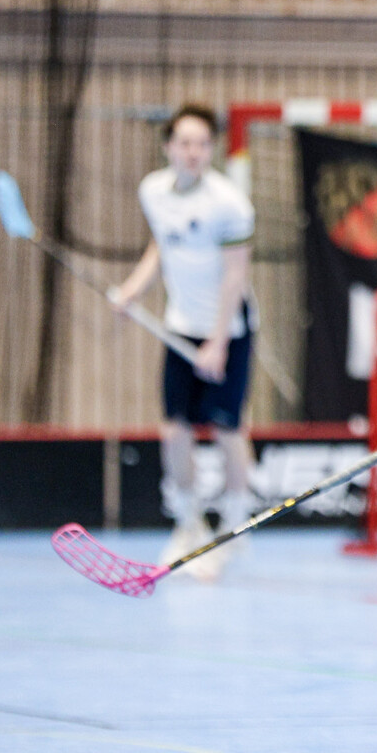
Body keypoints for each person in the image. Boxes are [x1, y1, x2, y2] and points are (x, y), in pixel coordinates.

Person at [112, 103, 257, 580]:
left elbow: (235, 276)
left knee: (228, 430)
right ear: (169, 147)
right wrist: (133, 289)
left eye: (202, 144)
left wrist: (217, 342)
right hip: (180, 326)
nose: (193, 152)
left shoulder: (230, 204)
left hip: (229, 330)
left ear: (211, 150)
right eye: (185, 143)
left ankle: (234, 526)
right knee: (174, 430)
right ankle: (188, 523)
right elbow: (162, 243)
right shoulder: (153, 191)